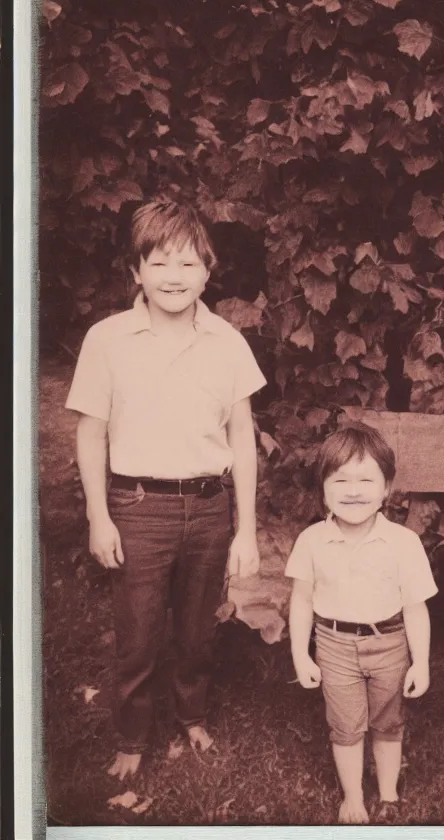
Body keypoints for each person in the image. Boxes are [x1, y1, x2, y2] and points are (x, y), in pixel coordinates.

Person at [66, 200, 266, 780]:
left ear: (207, 270)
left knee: (199, 629)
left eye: (186, 264)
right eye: (159, 263)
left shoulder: (227, 340)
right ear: (136, 271)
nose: (173, 277)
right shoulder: (107, 340)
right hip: (137, 507)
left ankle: (192, 713)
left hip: (209, 506)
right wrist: (97, 516)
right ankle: (131, 737)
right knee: (138, 632)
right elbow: (91, 432)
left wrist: (246, 529)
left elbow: (243, 437)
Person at [285, 423, 437, 825]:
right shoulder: (312, 541)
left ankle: (387, 793)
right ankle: (353, 796)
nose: (354, 491)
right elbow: (301, 601)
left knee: (388, 721)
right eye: (341, 480)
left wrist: (420, 662)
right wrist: (301, 655)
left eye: (366, 479)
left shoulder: (403, 543)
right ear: (323, 490)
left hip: (389, 643)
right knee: (346, 726)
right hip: (334, 645)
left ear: (387, 488)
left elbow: (415, 608)